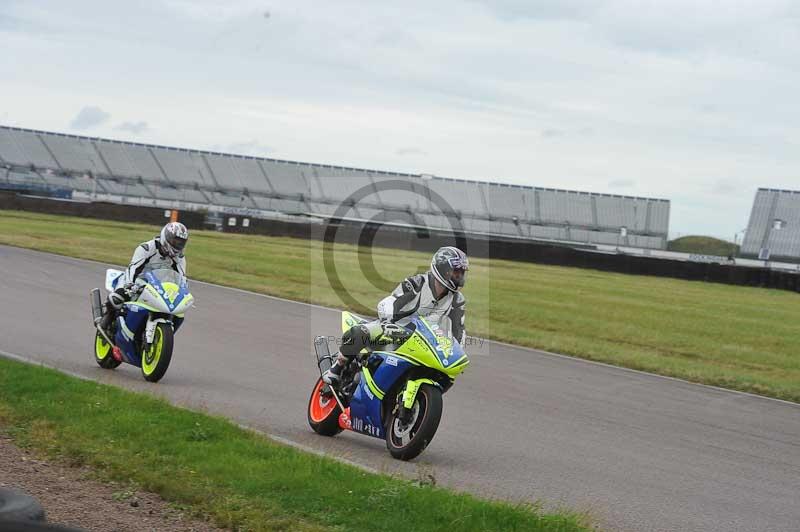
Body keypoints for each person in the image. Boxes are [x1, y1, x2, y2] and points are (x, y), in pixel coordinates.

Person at [322, 246, 468, 385]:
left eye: (461, 273)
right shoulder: (417, 283)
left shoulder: (457, 299)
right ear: (443, 269)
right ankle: (337, 366)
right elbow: (391, 301)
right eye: (456, 272)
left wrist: (457, 353)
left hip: (425, 341)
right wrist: (389, 321)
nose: (459, 277)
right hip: (396, 329)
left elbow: (458, 330)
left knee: (444, 375)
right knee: (360, 332)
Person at [98, 222, 189, 334]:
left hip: (159, 287)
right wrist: (130, 285)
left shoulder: (179, 257)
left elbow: (182, 277)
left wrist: (183, 291)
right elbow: (133, 268)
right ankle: (106, 321)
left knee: (178, 313)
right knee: (117, 298)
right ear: (167, 237)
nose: (178, 245)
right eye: (175, 241)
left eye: (181, 242)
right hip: (136, 282)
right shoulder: (147, 248)